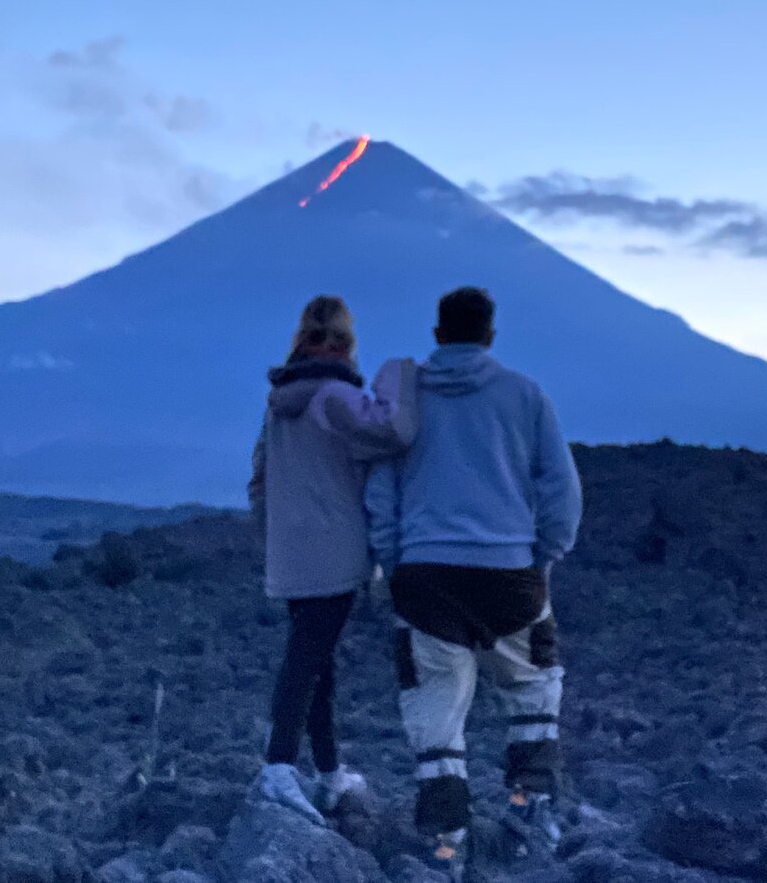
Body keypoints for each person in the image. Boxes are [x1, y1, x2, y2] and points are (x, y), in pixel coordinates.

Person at [366, 287, 583, 876]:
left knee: (435, 710)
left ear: (438, 334)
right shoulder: (525, 396)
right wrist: (543, 556)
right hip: (509, 575)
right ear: (490, 334)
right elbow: (561, 489)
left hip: (427, 580)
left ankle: (445, 842)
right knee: (533, 688)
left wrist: (395, 564)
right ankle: (530, 810)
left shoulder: (406, 401)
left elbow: (381, 492)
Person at [247, 295, 417, 826]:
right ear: (346, 342)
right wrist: (401, 378)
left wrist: (272, 537)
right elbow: (394, 433)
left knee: (315, 657)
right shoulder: (336, 396)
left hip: (290, 549)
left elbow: (259, 477)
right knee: (308, 658)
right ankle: (278, 766)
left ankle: (327, 770)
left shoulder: (278, 403)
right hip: (335, 548)